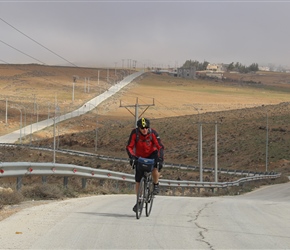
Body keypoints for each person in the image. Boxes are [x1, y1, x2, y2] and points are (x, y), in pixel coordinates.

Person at [126, 117, 164, 212]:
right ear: (138, 128)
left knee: (155, 168)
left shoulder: (153, 133)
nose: (144, 130)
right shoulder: (135, 133)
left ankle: (155, 184)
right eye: (142, 128)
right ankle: (139, 201)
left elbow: (160, 147)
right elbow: (129, 147)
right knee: (138, 180)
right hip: (139, 156)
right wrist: (132, 158)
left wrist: (160, 159)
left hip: (152, 154)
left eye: (146, 128)